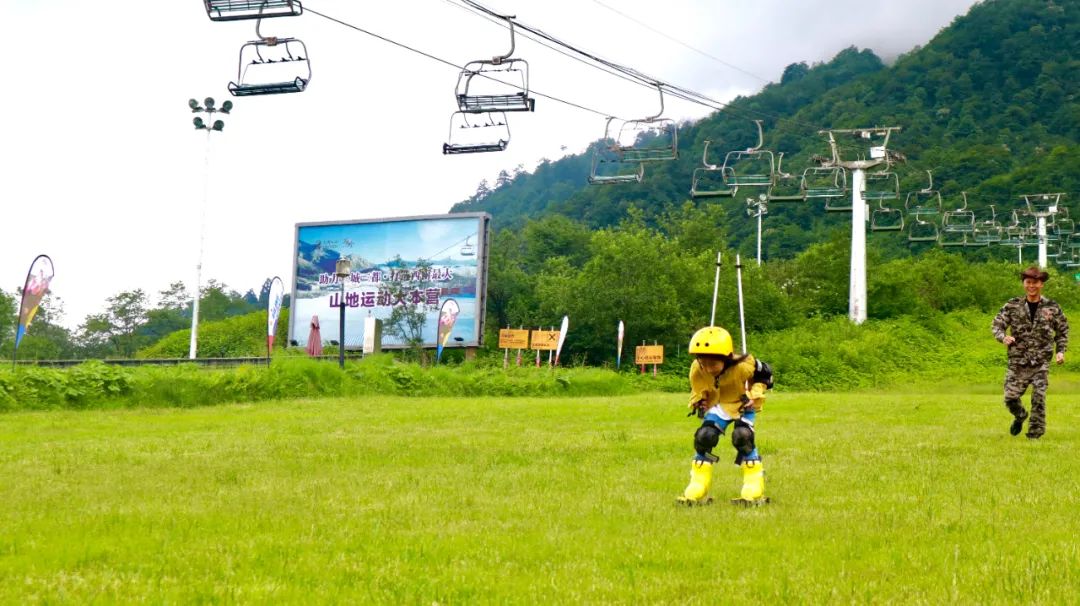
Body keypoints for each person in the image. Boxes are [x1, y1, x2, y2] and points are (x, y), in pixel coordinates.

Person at [677, 325, 774, 506]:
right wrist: (699, 400)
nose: (708, 368)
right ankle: (698, 484)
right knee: (704, 437)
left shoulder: (743, 366)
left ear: (726, 358)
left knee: (742, 437)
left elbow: (766, 376)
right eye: (703, 363)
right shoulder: (697, 368)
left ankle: (754, 483)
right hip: (718, 404)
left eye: (713, 364)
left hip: (742, 404)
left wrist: (755, 393)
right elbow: (698, 388)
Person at [991, 266, 1069, 439]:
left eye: (1035, 283)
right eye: (1028, 282)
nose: (1031, 286)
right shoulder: (1012, 305)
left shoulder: (1052, 308)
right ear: (1023, 284)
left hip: (1041, 361)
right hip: (1017, 361)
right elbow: (997, 325)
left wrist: (1060, 351)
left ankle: (1035, 434)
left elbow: (1062, 331)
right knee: (1010, 398)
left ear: (1041, 284)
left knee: (1039, 397)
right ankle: (1020, 416)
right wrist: (1003, 337)